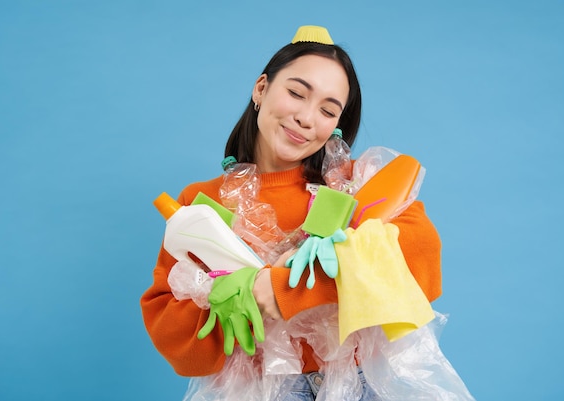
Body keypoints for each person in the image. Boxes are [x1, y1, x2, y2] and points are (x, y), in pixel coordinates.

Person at [141, 25, 443, 401]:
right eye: (296, 93)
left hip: (358, 387)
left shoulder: (355, 188)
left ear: (337, 126)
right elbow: (176, 342)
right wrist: (238, 300)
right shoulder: (206, 204)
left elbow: (421, 261)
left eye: (328, 110)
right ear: (261, 89)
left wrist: (286, 288)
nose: (306, 118)